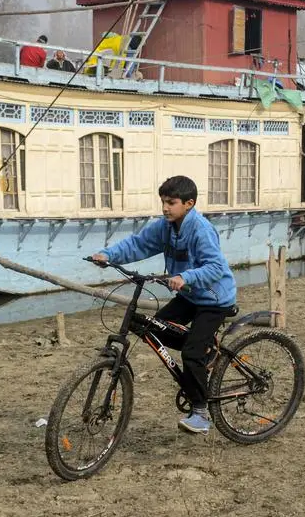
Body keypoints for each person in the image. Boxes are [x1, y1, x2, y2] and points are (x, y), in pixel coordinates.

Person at [90, 175, 236, 435]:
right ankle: (206, 349)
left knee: (191, 354)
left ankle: (201, 412)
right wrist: (108, 255)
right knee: (153, 329)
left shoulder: (201, 230)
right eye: (163, 202)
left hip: (213, 299)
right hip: (189, 296)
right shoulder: (165, 227)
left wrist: (185, 277)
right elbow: (138, 244)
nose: (165, 208)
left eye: (171, 203)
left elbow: (215, 267)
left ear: (189, 203)